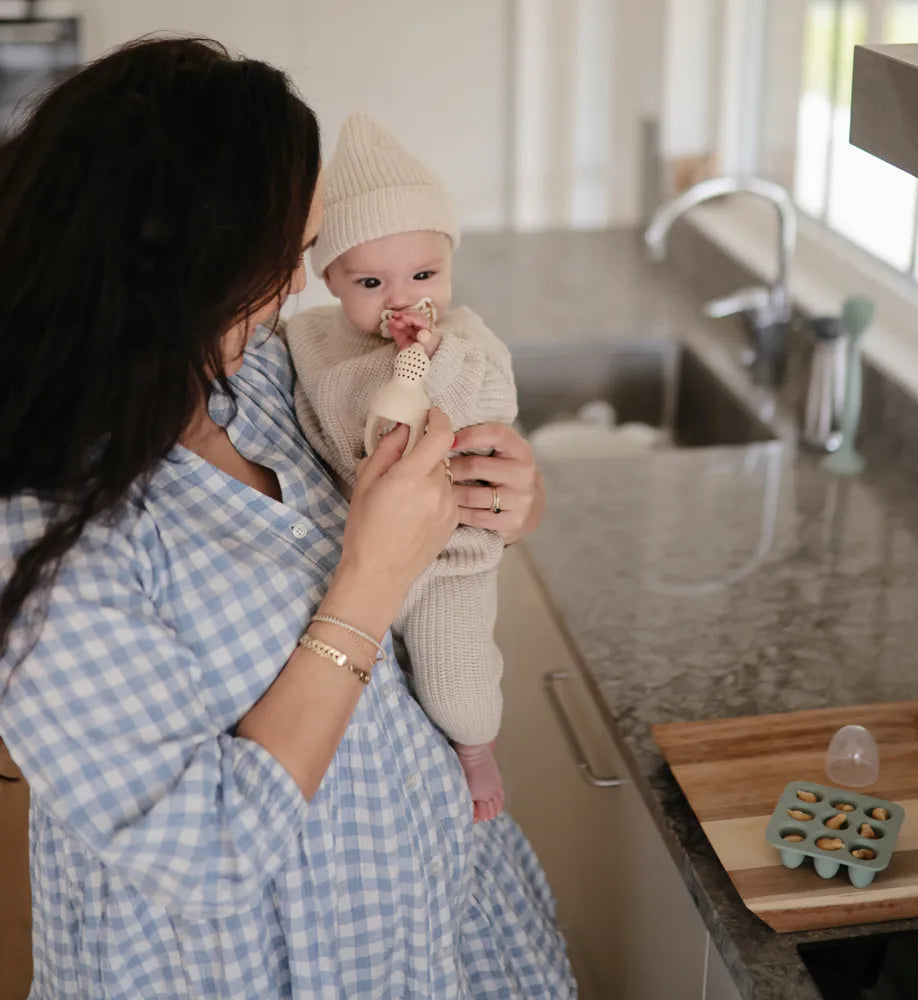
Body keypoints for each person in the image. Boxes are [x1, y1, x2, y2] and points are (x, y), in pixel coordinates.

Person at [0, 36, 575, 1000]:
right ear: (177, 266)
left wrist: (500, 493)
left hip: (437, 917)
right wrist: (370, 580)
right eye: (285, 258)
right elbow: (206, 854)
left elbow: (402, 465)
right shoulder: (41, 529)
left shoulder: (253, 374)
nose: (297, 288)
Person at [286, 112, 515, 823]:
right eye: (371, 282)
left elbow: (491, 405)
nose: (402, 298)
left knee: (454, 682)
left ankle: (477, 749)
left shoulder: (466, 338)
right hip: (354, 556)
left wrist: (433, 359)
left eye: (424, 273)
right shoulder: (314, 344)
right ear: (328, 279)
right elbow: (346, 422)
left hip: (447, 554)